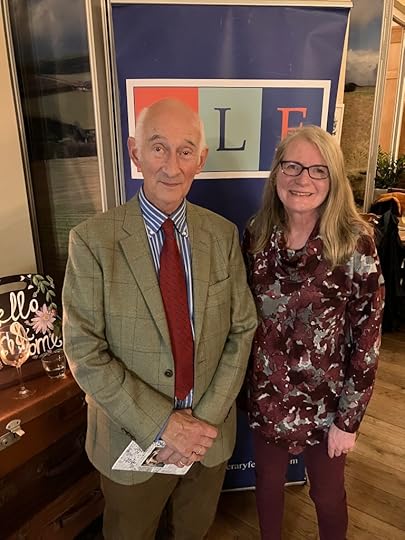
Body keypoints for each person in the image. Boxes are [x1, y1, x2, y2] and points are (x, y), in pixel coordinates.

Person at [62, 98, 257, 540]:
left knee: (194, 530)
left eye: (185, 151)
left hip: (208, 440)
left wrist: (201, 423)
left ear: (200, 160)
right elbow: (84, 352)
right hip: (130, 442)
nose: (171, 166)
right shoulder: (92, 241)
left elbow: (242, 328)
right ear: (135, 152)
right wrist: (164, 425)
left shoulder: (222, 235)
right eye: (158, 147)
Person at [241, 125, 384, 540]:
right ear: (277, 173)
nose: (303, 179)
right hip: (267, 395)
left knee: (327, 494)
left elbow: (368, 338)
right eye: (292, 166)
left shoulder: (355, 242)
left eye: (318, 170)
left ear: (333, 179)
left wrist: (349, 420)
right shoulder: (257, 233)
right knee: (267, 483)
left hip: (328, 403)